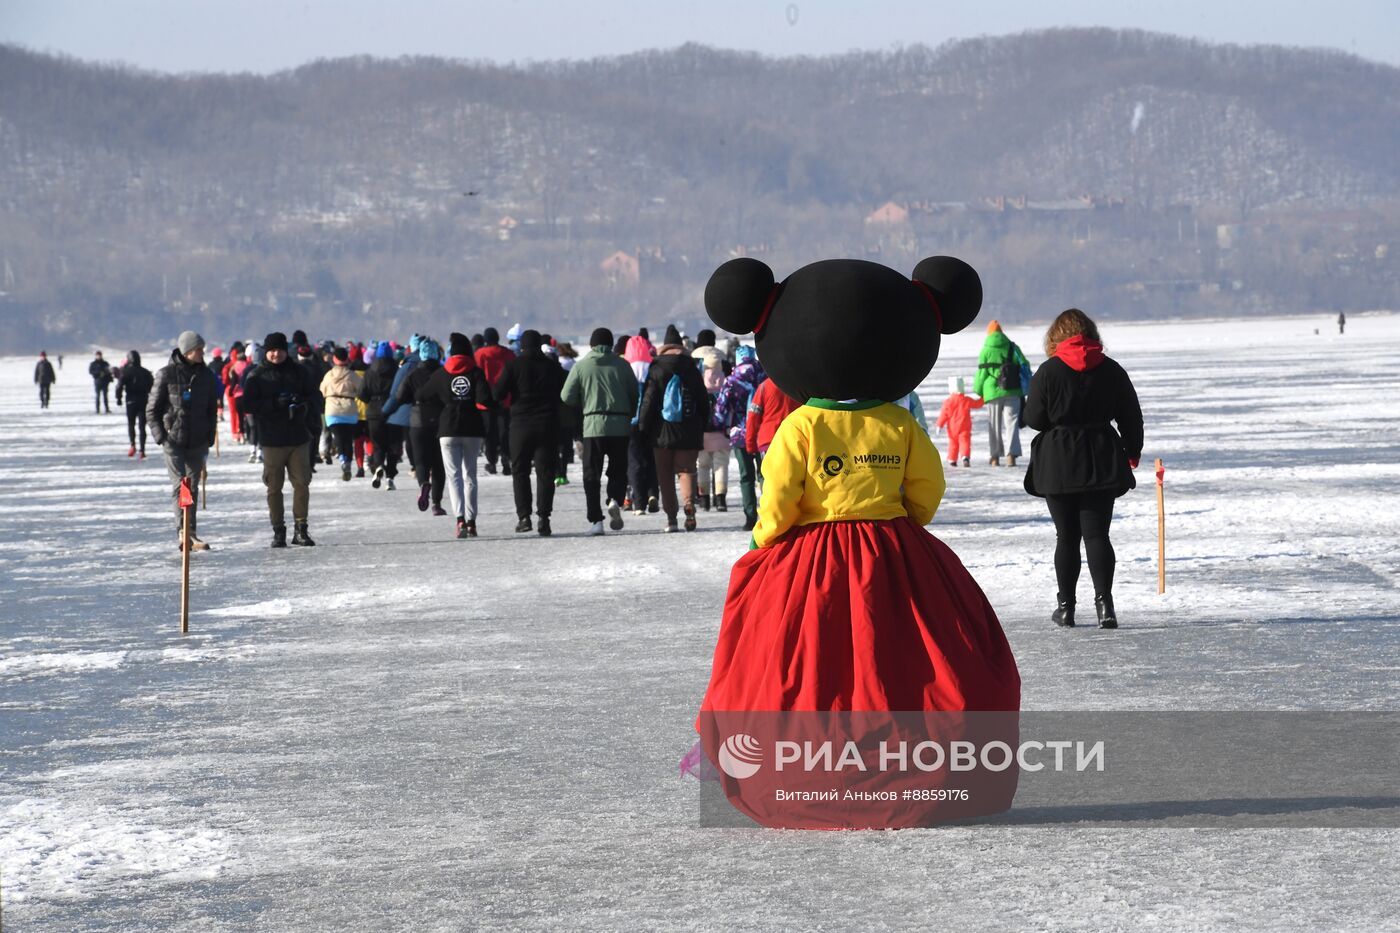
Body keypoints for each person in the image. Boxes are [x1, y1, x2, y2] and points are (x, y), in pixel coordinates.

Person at [689, 255, 1020, 829]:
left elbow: (779, 499)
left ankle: (804, 772)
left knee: (800, 662)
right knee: (918, 656)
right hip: (893, 549)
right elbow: (927, 489)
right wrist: (901, 521)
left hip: (810, 558)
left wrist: (766, 547)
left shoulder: (802, 426)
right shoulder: (898, 425)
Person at [1023, 308, 1143, 630]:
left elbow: (1034, 418)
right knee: (1097, 535)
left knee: (1066, 537)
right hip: (1101, 460)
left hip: (1058, 464)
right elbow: (1131, 415)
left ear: (1054, 338)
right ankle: (1105, 605)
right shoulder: (1112, 370)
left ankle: (1067, 608)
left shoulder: (1048, 372)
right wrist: (1132, 452)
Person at [240, 331, 322, 547]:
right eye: (272, 351)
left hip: (298, 436)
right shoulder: (257, 375)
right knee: (274, 487)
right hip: (271, 438)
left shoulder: (299, 372)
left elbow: (316, 397)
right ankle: (278, 530)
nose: (276, 354)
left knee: (302, 484)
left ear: (286, 351)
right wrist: (275, 403)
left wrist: (301, 403)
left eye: (280, 350)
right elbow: (248, 405)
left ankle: (301, 529)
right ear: (266, 352)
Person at [560, 327, 638, 535]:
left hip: (593, 425)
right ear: (611, 344)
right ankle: (614, 498)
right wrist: (628, 413)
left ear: (592, 344)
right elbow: (634, 394)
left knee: (591, 474)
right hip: (620, 425)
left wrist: (583, 402)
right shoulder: (623, 365)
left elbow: (566, 396)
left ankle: (596, 521)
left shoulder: (582, 366)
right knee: (618, 470)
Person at [147, 331, 218, 550]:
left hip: (197, 441)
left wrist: (209, 435)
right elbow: (152, 410)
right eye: (198, 349)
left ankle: (191, 532)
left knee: (193, 486)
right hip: (173, 440)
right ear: (187, 350)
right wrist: (162, 437)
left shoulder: (205, 375)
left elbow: (210, 409)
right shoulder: (166, 375)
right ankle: (182, 531)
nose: (201, 353)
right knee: (181, 486)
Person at [494, 329, 566, 536]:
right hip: (547, 424)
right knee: (545, 473)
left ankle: (524, 517)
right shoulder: (553, 367)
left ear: (522, 345)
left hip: (520, 425)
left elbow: (498, 393)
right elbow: (567, 389)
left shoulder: (513, 365)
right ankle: (544, 518)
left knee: (520, 471)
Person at [638, 324, 709, 532]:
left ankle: (671, 519)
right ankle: (689, 505)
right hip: (689, 431)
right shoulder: (692, 369)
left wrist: (643, 426)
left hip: (662, 433)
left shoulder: (657, 368)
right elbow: (703, 401)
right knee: (686, 471)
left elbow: (649, 401)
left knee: (665, 475)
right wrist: (701, 424)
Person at [423, 333, 493, 538]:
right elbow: (485, 399)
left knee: (453, 476)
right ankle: (472, 522)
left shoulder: (441, 373)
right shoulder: (476, 373)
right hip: (472, 428)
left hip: (447, 429)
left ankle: (460, 520)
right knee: (470, 475)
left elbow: (422, 394)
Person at [712, 344, 765, 530]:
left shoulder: (731, 380)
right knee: (764, 475)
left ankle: (750, 516)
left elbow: (720, 410)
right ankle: (769, 514)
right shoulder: (764, 376)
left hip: (739, 433)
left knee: (746, 477)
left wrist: (719, 426)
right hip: (763, 433)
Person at [396, 338, 448, 516]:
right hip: (441, 421)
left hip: (418, 421)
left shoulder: (413, 374)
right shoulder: (444, 372)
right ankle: (437, 503)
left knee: (420, 461)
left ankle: (423, 482)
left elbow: (400, 396)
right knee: (439, 464)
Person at [973, 320, 1031, 466]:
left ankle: (995, 457)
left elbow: (981, 373)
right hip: (1013, 390)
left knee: (994, 424)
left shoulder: (986, 350)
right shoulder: (1012, 346)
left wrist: (979, 390)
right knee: (1011, 423)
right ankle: (1011, 455)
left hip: (992, 392)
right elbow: (1025, 364)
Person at [691, 329, 731, 512]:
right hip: (722, 423)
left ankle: (704, 499)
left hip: (700, 425)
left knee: (703, 464)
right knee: (721, 463)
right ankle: (721, 499)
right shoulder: (722, 359)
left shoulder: (695, 361)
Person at [622, 334, 659, 515]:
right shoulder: (653, 368)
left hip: (630, 422)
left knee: (634, 462)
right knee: (651, 460)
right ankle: (653, 493)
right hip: (652, 422)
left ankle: (639, 503)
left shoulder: (625, 369)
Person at [360, 340, 403, 490]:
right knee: (393, 446)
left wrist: (371, 402)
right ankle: (390, 477)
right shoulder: (398, 371)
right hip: (393, 411)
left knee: (378, 445)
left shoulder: (369, 372)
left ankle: (378, 466)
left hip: (374, 412)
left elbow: (361, 393)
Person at [319, 347, 365, 481]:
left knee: (338, 437)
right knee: (348, 438)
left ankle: (343, 459)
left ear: (334, 359)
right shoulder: (352, 375)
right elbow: (361, 389)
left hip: (332, 410)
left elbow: (322, 390)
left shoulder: (329, 374)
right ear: (347, 359)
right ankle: (349, 463)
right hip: (349, 409)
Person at [475, 326, 516, 475]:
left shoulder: (480, 354)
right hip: (505, 399)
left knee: (490, 433)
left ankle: (491, 461)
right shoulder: (508, 354)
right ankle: (506, 459)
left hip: (485, 401)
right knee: (505, 431)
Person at [935, 376, 982, 468]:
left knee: (953, 444)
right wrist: (984, 398)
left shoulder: (948, 402)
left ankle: (952, 460)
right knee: (964, 442)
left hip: (952, 429)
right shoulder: (966, 400)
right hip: (964, 427)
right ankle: (965, 457)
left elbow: (943, 415)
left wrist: (939, 425)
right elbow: (977, 404)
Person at [115, 350, 154, 458]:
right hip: (144, 401)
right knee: (142, 426)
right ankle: (142, 450)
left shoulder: (126, 372)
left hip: (131, 401)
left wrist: (119, 398)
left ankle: (132, 445)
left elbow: (119, 386)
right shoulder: (145, 372)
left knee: (131, 424)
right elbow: (154, 387)